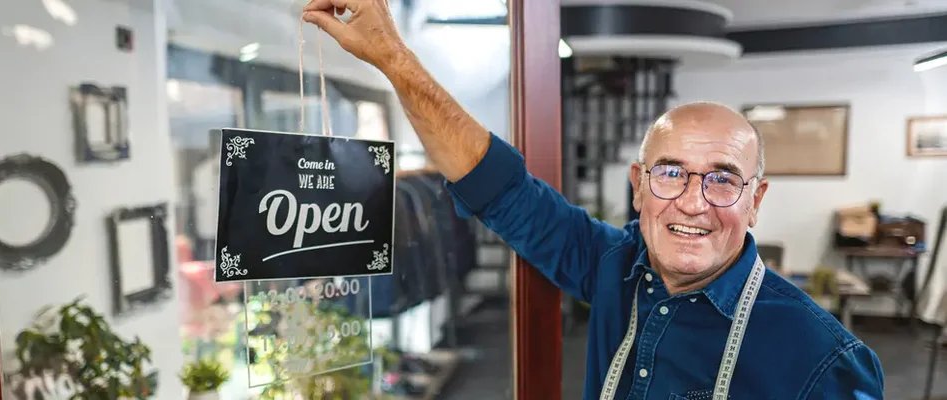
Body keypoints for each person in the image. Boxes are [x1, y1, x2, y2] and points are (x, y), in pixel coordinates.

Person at [302, 0, 885, 398]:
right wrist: (393, 59)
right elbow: (498, 187)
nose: (691, 201)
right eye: (671, 172)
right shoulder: (614, 267)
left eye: (723, 178)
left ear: (755, 200)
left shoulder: (822, 359)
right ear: (637, 186)